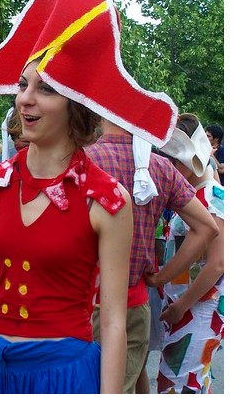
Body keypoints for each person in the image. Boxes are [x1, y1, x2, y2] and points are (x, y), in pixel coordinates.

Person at [0, 0, 190, 393]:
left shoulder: (107, 200)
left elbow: (115, 320)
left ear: (75, 105)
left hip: (62, 377)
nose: (25, 98)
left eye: (45, 88)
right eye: (23, 84)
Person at [85, 119, 218, 394]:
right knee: (126, 385)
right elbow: (206, 228)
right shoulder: (160, 169)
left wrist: (166, 284)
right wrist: (159, 280)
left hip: (87, 301)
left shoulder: (82, 161)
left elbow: (217, 260)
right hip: (136, 302)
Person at [146, 113, 224, 394]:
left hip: (198, 309)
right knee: (191, 383)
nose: (169, 167)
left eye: (174, 160)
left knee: (178, 387)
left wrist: (180, 306)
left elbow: (217, 265)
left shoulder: (213, 196)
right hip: (187, 307)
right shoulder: (194, 195)